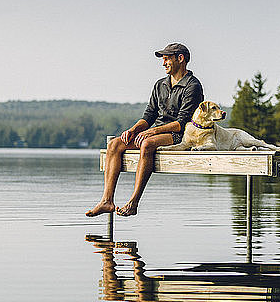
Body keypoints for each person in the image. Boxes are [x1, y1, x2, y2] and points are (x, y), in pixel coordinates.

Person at [86, 42, 204, 217]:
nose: (163, 63)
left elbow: (182, 123)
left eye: (167, 59)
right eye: (163, 59)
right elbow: (149, 115)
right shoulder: (160, 85)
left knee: (147, 144)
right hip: (157, 132)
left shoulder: (192, 86)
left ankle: (133, 202)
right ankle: (107, 201)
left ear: (181, 59)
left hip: (182, 135)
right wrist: (133, 130)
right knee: (114, 145)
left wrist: (152, 131)